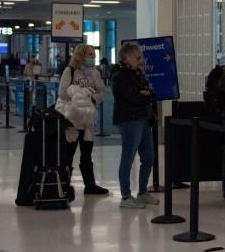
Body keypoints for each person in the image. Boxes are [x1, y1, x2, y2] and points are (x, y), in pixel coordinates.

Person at [58, 44, 109, 196]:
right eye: (89, 54)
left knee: (87, 152)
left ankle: (90, 185)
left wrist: (92, 98)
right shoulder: (70, 71)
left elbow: (100, 91)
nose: (92, 57)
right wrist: (79, 97)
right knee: (69, 153)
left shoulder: (95, 73)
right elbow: (62, 93)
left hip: (88, 119)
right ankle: (63, 184)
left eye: (93, 55)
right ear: (81, 55)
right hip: (72, 119)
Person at [112, 42, 158, 209]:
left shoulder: (137, 73)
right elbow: (133, 97)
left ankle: (143, 191)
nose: (141, 60)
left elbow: (150, 93)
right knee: (128, 157)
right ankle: (125, 196)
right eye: (137, 57)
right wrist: (144, 95)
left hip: (143, 118)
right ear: (127, 57)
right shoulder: (119, 75)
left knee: (149, 156)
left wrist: (145, 94)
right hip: (130, 120)